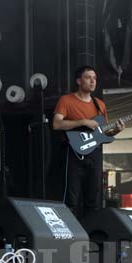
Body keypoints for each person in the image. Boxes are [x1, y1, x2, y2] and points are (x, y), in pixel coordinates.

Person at [53, 65, 125, 219]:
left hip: (95, 154)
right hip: (73, 152)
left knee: (94, 199)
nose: (92, 81)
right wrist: (82, 122)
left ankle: (92, 236)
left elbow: (104, 132)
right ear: (79, 81)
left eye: (94, 78)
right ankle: (70, 236)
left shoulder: (99, 104)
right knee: (71, 198)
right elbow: (56, 124)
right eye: (88, 77)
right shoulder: (66, 100)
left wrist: (116, 130)